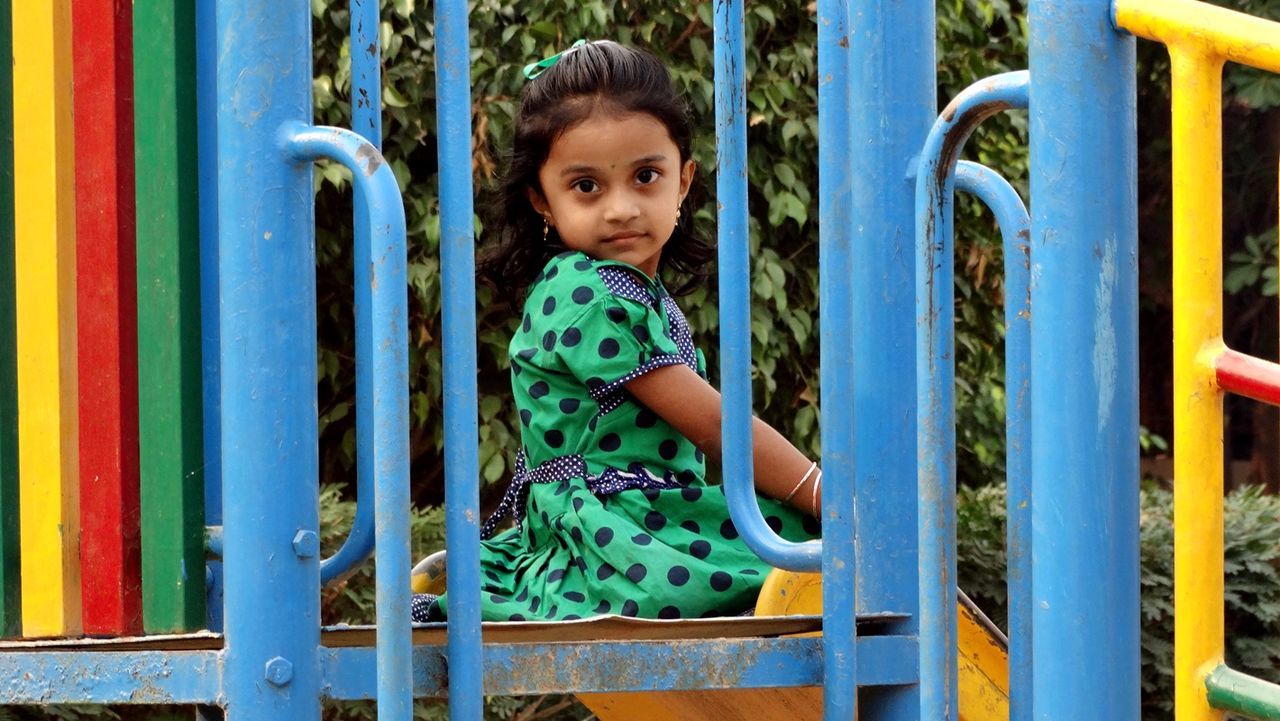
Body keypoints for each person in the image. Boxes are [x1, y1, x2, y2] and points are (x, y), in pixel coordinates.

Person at [411, 40, 821, 624]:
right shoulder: (586, 294)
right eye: (586, 186)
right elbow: (714, 425)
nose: (621, 208)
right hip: (609, 532)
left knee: (803, 553)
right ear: (542, 201)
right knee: (813, 558)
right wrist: (819, 490)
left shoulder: (633, 293)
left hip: (651, 512)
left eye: (646, 176)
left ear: (683, 182)